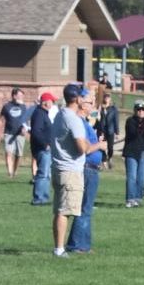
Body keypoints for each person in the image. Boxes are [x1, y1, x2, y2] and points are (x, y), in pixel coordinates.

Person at [48, 84, 88, 256]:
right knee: (65, 212)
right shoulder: (73, 119)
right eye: (82, 96)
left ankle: (58, 247)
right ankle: (59, 249)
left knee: (59, 211)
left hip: (58, 168)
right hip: (70, 171)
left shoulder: (60, 114)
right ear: (78, 99)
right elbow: (81, 147)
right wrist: (96, 145)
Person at [65, 105, 104, 253]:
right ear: (83, 105)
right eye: (90, 102)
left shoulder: (85, 123)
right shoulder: (80, 123)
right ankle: (77, 245)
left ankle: (84, 245)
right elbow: (86, 148)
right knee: (84, 208)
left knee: (86, 208)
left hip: (91, 168)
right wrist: (100, 145)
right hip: (87, 168)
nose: (94, 106)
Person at [122, 98, 144, 206]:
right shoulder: (130, 121)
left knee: (141, 177)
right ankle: (130, 199)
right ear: (134, 110)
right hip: (131, 152)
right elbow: (133, 133)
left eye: (143, 109)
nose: (140, 111)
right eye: (138, 109)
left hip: (143, 152)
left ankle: (138, 199)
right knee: (132, 177)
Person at [29, 90, 56, 204]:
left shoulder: (42, 113)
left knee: (47, 174)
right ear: (45, 102)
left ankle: (43, 197)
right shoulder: (39, 114)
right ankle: (39, 198)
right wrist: (45, 144)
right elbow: (36, 131)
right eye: (51, 101)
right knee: (43, 173)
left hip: (44, 149)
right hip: (42, 149)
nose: (52, 104)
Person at [0, 86, 29, 178]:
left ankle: (15, 171)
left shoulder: (23, 106)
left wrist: (25, 129)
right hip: (9, 133)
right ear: (14, 96)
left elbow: (27, 120)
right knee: (9, 153)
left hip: (20, 134)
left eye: (22, 96)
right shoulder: (6, 106)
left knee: (18, 155)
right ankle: (10, 172)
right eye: (20, 96)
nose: (21, 98)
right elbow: (0, 119)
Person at [97, 87, 118, 171]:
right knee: (101, 146)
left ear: (110, 98)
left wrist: (117, 132)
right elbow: (97, 118)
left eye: (108, 97)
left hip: (110, 130)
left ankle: (110, 158)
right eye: (105, 97)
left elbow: (116, 120)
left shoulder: (113, 109)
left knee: (110, 147)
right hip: (102, 130)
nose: (106, 98)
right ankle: (104, 160)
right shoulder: (100, 108)